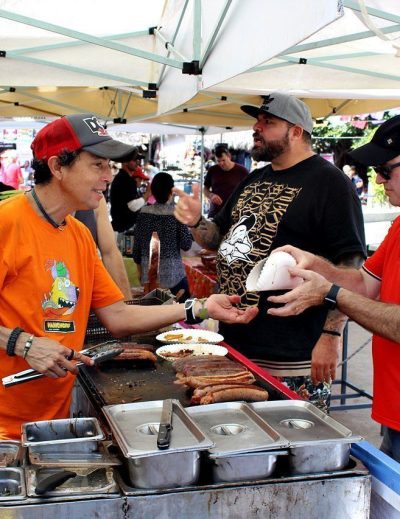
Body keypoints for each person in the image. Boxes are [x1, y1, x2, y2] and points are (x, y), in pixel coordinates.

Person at [0, 113, 258, 440]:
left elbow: (118, 315)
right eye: (98, 165)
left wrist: (201, 308)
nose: (109, 176)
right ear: (57, 167)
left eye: (110, 166)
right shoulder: (6, 224)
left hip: (51, 421)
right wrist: (21, 343)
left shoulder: (78, 234)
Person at [173, 92, 366, 412]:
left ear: (296, 131)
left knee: (297, 447)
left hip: (294, 354)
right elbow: (217, 237)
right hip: (237, 343)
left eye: (268, 122)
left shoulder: (330, 183)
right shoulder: (254, 179)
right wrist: (195, 219)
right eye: (258, 121)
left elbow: (352, 268)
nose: (256, 127)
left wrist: (331, 335)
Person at [265, 114, 400, 462]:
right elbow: (365, 284)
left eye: (386, 169)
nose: (379, 179)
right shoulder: (399, 225)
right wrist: (315, 263)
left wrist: (330, 295)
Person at [133, 172, 192, 301]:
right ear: (171, 192)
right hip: (172, 276)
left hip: (149, 277)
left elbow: (136, 251)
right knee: (181, 314)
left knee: (153, 317)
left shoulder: (143, 213)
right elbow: (186, 244)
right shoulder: (176, 214)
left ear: (153, 191)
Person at [75, 196, 132, 300]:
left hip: (86, 295)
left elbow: (111, 254)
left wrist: (127, 304)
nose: (107, 180)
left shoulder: (97, 200)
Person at [109, 149, 151, 233]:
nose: (137, 162)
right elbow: (132, 206)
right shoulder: (125, 180)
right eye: (134, 160)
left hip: (120, 226)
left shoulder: (124, 178)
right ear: (125, 162)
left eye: (138, 160)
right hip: (122, 227)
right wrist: (147, 195)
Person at [204, 146, 248, 218]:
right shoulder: (212, 170)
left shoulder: (242, 171)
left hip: (234, 213)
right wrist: (211, 195)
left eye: (223, 160)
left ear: (229, 157)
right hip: (215, 212)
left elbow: (249, 191)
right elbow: (205, 189)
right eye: (218, 161)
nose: (221, 163)